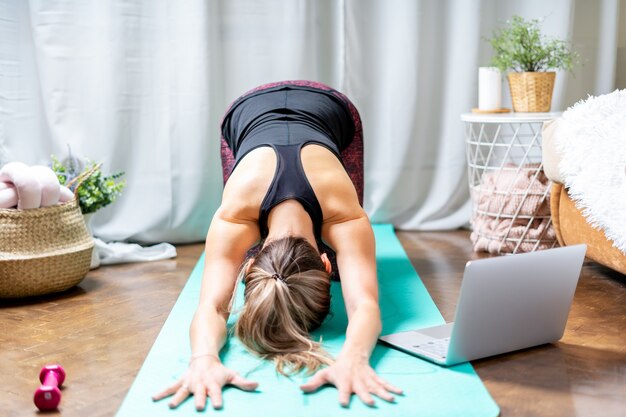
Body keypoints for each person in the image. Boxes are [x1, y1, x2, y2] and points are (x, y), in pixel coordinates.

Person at [152, 81, 402, 411]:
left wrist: (355, 359)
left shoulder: (343, 212)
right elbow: (213, 308)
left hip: (331, 111)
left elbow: (364, 305)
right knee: (345, 265)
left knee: (351, 269)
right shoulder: (233, 213)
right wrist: (202, 359)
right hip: (245, 115)